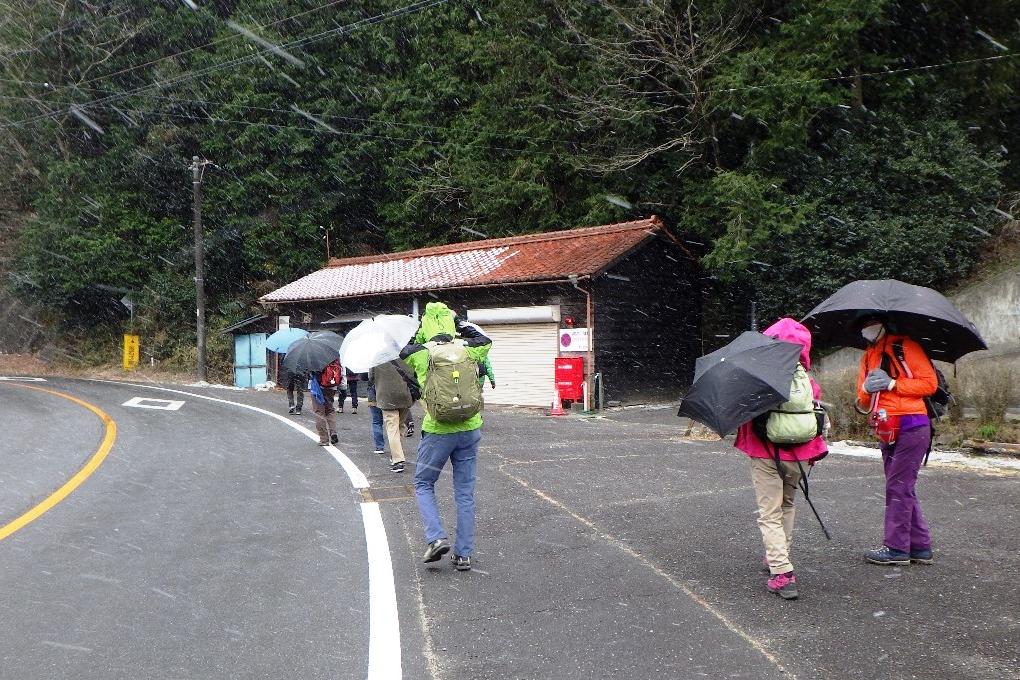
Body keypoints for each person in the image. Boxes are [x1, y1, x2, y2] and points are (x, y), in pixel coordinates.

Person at [734, 318, 827, 601]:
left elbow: (743, 411)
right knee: (787, 505)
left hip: (765, 453)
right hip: (798, 455)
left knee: (769, 513)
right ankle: (779, 556)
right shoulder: (808, 382)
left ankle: (782, 573)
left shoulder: (761, 377)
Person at [402, 301, 492, 572]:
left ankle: (436, 538)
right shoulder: (469, 348)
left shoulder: (420, 352)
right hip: (470, 428)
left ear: (427, 326)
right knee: (464, 492)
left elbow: (404, 349)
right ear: (450, 324)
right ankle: (463, 554)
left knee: (423, 483)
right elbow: (484, 338)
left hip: (439, 431)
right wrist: (459, 323)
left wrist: (420, 330)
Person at [856, 316, 938, 566]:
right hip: (885, 426)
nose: (867, 327)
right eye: (863, 323)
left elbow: (929, 384)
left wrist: (893, 383)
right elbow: (861, 402)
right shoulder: (868, 355)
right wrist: (867, 390)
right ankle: (920, 547)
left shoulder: (906, 346)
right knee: (902, 487)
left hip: (912, 424)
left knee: (898, 487)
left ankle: (896, 548)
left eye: (872, 321)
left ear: (884, 323)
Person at [369, 359, 417, 473]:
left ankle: (398, 460)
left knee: (392, 428)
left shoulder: (377, 358)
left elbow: (371, 378)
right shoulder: (406, 356)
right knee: (400, 426)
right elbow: (413, 374)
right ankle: (396, 453)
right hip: (405, 396)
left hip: (386, 397)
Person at [311, 359, 341, 447]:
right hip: (331, 387)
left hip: (318, 388)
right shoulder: (334, 357)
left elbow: (311, 375)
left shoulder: (314, 358)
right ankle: (333, 432)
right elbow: (341, 372)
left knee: (319, 413)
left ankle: (324, 439)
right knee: (330, 411)